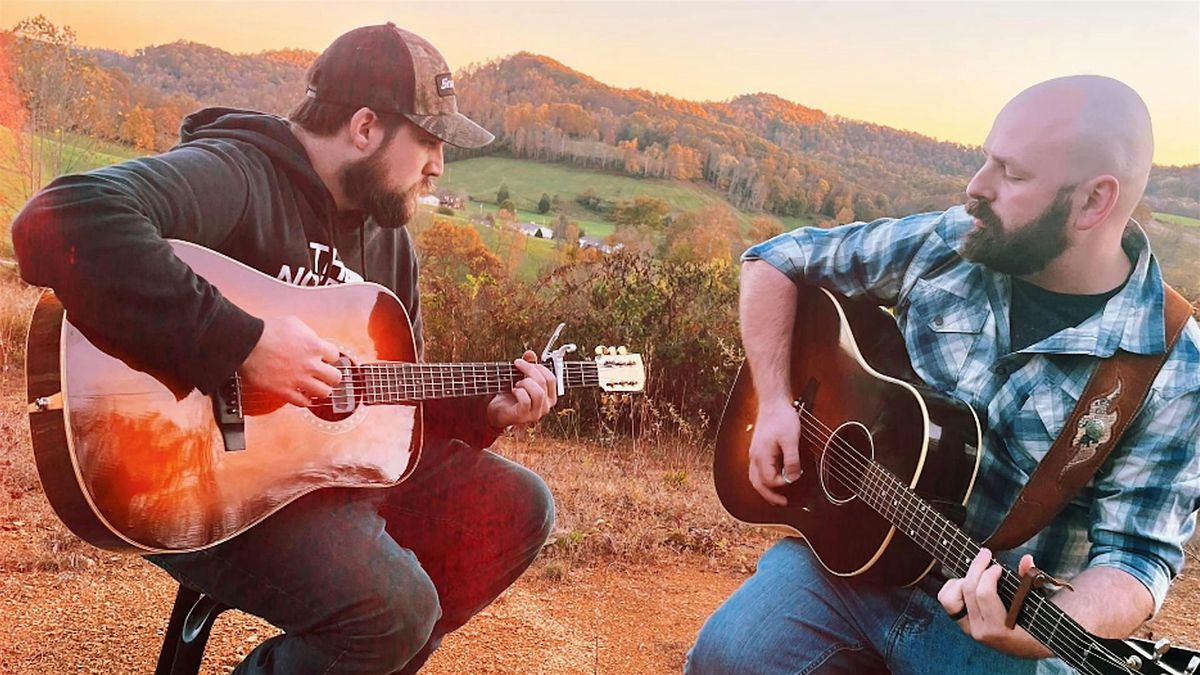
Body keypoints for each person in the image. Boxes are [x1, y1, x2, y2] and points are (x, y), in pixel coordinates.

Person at [13, 23, 557, 674]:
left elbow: (387, 405)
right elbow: (62, 218)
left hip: (319, 476)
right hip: (187, 477)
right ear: (364, 127)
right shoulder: (240, 173)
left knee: (520, 507)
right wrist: (244, 343)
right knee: (395, 607)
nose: (439, 165)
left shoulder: (391, 245)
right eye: (430, 140)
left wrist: (484, 413)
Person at [687, 76, 1200, 674]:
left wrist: (1037, 631)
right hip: (851, 559)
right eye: (986, 159)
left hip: (997, 634)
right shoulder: (953, 242)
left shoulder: (1170, 368)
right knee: (728, 655)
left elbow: (1135, 562)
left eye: (1011, 173)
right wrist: (775, 401)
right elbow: (775, 260)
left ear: (1092, 201)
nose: (975, 187)